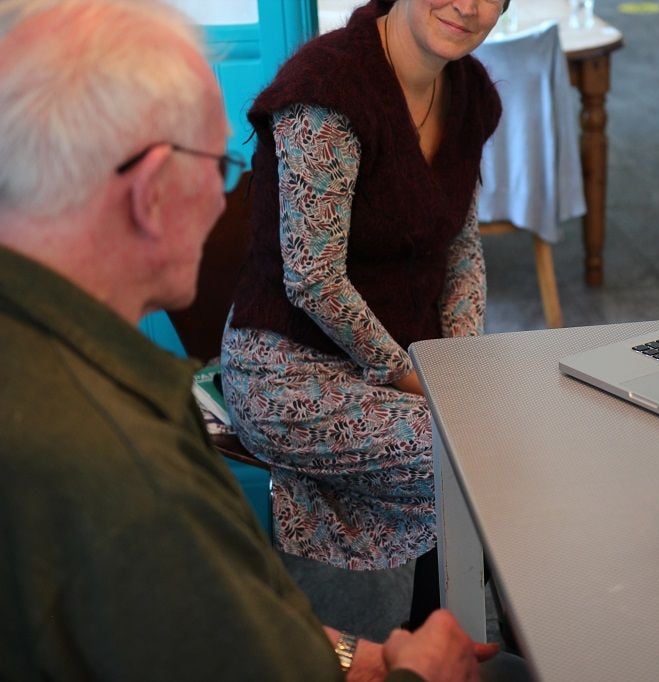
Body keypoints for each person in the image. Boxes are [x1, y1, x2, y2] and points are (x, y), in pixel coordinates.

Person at [0, 1, 514, 679]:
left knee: (475, 441)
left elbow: (231, 638)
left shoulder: (69, 375)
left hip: (392, 378)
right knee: (475, 460)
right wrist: (411, 672)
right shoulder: (128, 467)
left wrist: (360, 655)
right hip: (301, 369)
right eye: (220, 168)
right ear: (151, 191)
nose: (229, 204)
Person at [221, 0, 506, 629]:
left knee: (506, 432)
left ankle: (445, 638)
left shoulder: (470, 93)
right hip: (291, 367)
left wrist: (456, 365)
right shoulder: (326, 92)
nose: (470, 6)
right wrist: (425, 380)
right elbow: (314, 281)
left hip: (409, 359)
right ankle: (433, 639)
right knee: (466, 455)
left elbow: (461, 244)